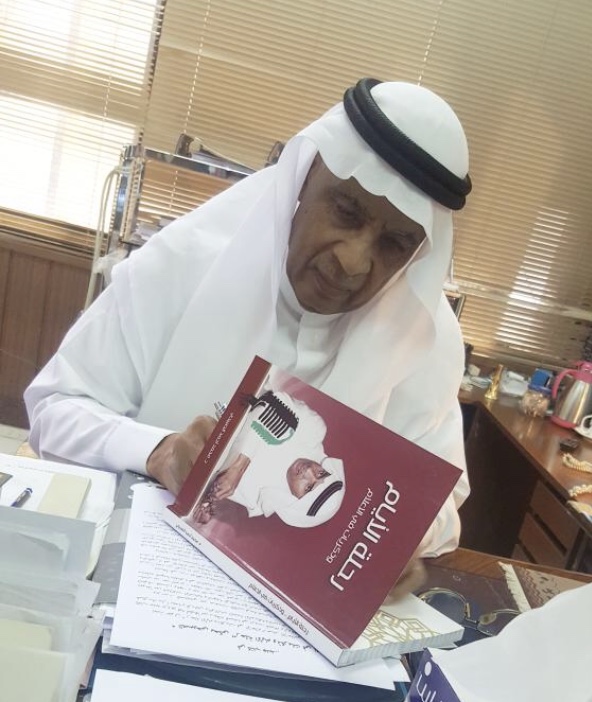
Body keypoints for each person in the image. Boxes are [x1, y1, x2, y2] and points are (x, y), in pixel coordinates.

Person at [24, 78, 472, 564]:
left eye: (394, 245)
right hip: (133, 564)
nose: (353, 261)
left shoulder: (426, 340)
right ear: (305, 178)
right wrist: (157, 451)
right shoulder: (182, 264)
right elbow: (54, 411)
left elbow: (442, 508)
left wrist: (398, 541)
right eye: (346, 212)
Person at [189, 389, 346, 528]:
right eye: (321, 473)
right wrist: (239, 467)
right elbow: (271, 402)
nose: (309, 471)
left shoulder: (256, 500)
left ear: (295, 501)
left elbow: (214, 475)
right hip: (237, 390)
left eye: (308, 487)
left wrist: (207, 503)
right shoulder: (314, 431)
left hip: (199, 422)